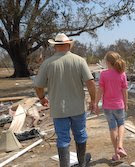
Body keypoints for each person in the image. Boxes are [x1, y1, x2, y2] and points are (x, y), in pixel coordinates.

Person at [34, 33, 96, 167]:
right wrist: (93, 101)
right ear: (68, 45)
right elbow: (90, 83)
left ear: (55, 46)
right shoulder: (79, 60)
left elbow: (38, 86)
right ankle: (82, 163)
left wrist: (42, 98)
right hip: (77, 108)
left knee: (62, 139)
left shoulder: (47, 63)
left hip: (58, 109)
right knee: (80, 135)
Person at [95, 51, 128, 161]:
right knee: (121, 125)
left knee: (112, 128)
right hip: (119, 105)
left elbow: (100, 90)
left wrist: (96, 103)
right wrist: (126, 103)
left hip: (107, 106)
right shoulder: (122, 74)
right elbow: (124, 91)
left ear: (108, 62)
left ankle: (116, 154)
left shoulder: (104, 74)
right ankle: (120, 146)